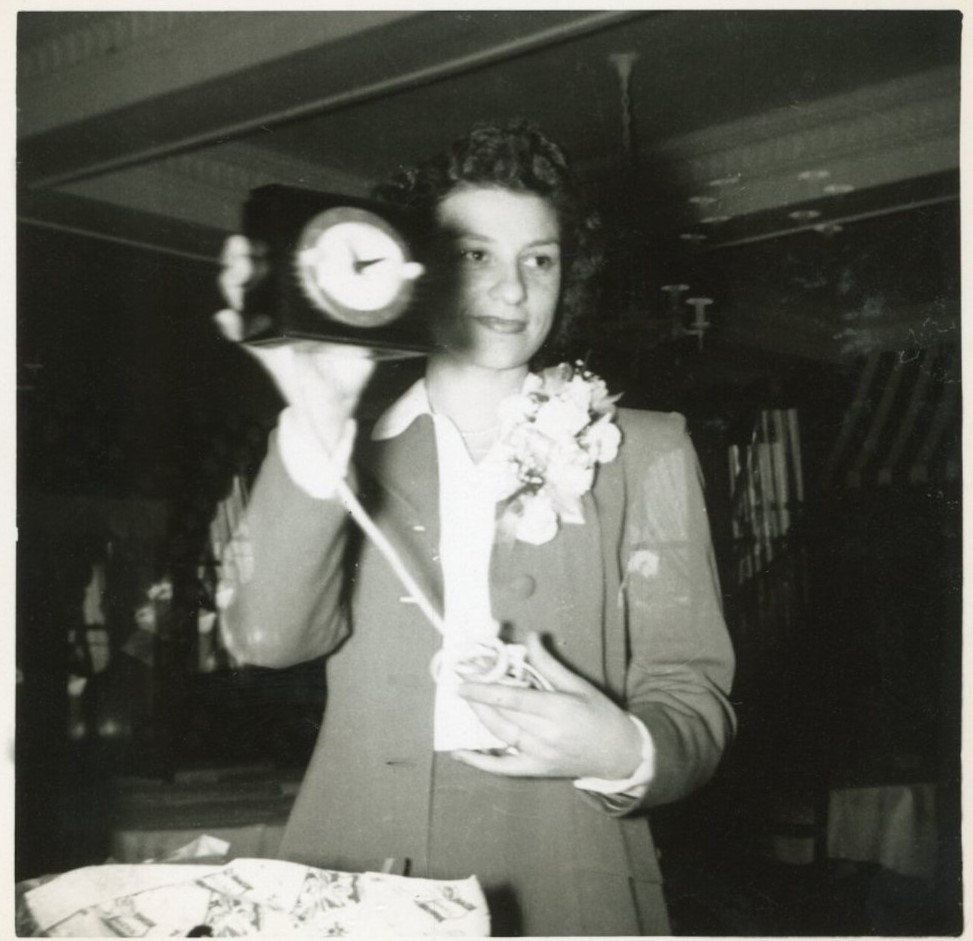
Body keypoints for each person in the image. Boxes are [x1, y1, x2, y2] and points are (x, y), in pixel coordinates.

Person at [215, 122, 735, 936]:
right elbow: (266, 636)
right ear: (416, 273)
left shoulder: (647, 450)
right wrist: (314, 425)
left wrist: (624, 749)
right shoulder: (344, 452)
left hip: (567, 878)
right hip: (355, 878)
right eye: (474, 256)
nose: (514, 289)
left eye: (540, 258)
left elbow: (691, 693)